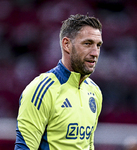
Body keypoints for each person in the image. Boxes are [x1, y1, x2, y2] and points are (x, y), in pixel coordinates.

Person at [14, 14, 103, 150]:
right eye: (87, 43)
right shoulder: (41, 90)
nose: (95, 53)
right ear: (66, 44)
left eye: (98, 45)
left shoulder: (94, 92)